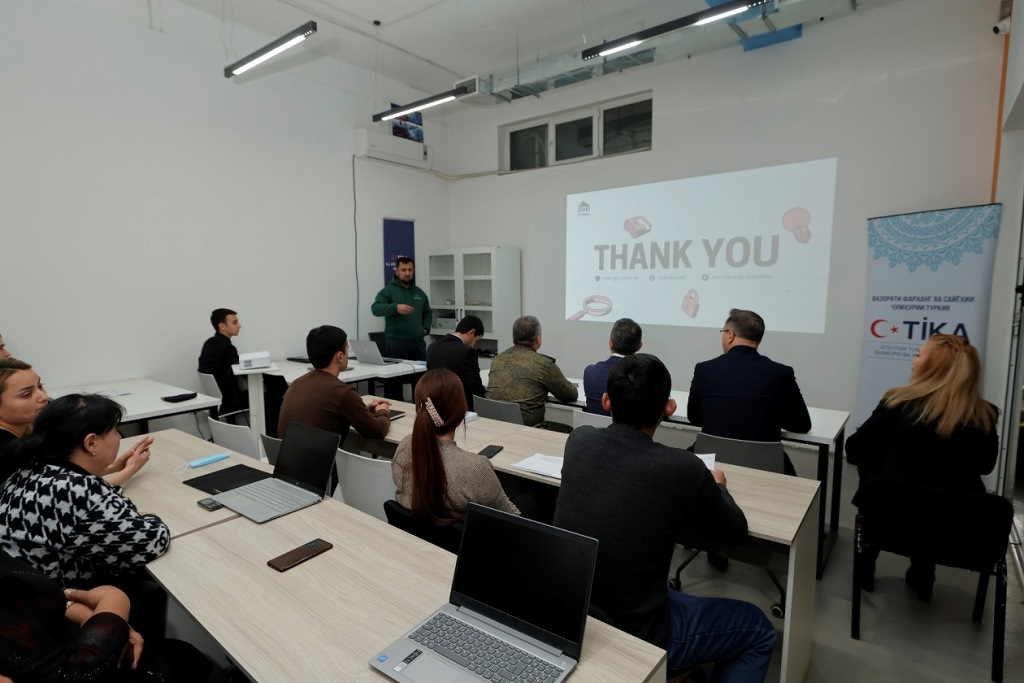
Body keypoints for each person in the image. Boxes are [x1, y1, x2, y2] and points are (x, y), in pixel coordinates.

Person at [553, 354, 776, 679]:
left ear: (606, 401)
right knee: (758, 629)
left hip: (571, 614)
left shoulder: (579, 440)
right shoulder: (682, 468)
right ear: (669, 408)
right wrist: (719, 486)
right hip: (639, 633)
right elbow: (734, 531)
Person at [846, 333, 999, 600]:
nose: (914, 360)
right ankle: (923, 572)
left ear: (932, 366)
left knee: (880, 480)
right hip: (954, 526)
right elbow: (985, 466)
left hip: (890, 515)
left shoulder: (897, 403)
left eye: (919, 355)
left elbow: (855, 448)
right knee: (931, 496)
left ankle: (866, 565)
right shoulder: (985, 415)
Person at [0, 394, 171, 589]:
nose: (119, 437)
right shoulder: (75, 490)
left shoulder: (32, 468)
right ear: (91, 443)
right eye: (115, 431)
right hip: (59, 596)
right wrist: (150, 517)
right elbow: (153, 542)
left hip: (20, 590)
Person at [0, 549, 223, 682]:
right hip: (89, 663)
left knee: (186, 656)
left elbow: (33, 602)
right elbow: (83, 673)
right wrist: (114, 599)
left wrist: (97, 619)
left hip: (79, 645)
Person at [687, 308, 811, 475]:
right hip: (766, 468)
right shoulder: (782, 373)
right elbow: (802, 425)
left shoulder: (704, 369)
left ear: (730, 335)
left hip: (711, 465)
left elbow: (694, 417)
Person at [0, 359, 152, 488]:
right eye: (27, 394)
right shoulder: (5, 449)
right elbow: (66, 494)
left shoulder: (26, 431)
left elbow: (59, 477)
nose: (43, 397)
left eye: (40, 386)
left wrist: (114, 467)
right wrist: (129, 470)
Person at [392, 369, 518, 521]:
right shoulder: (476, 468)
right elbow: (510, 518)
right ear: (460, 410)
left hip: (414, 534)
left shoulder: (404, 447)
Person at [278, 325, 391, 467]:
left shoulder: (295, 384)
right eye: (347, 349)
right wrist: (383, 411)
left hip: (289, 468)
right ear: (340, 356)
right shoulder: (342, 393)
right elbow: (378, 431)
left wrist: (361, 412)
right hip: (320, 473)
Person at [486, 316, 577, 429]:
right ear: (538, 338)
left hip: (494, 426)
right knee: (568, 429)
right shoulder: (544, 364)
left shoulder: (498, 359)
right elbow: (570, 395)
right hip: (528, 431)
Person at [370, 257, 433, 361]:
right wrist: (395, 308)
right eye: (403, 270)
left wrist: (426, 329)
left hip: (418, 343)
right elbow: (375, 309)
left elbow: (428, 312)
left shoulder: (419, 292)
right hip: (396, 344)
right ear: (397, 271)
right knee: (400, 372)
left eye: (410, 270)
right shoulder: (388, 290)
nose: (407, 273)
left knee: (422, 371)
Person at [582, 317, 642, 415]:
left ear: (610, 343)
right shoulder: (643, 377)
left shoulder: (590, 372)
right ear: (639, 346)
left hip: (594, 425)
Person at [426, 316, 486, 410]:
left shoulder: (432, 347)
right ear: (471, 332)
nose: (474, 344)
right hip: (459, 406)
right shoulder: (467, 351)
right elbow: (474, 385)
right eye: (476, 340)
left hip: (435, 403)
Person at [197, 308, 246, 416]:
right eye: (235, 323)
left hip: (215, 399)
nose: (239, 326)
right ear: (222, 326)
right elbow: (243, 373)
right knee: (269, 397)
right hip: (228, 400)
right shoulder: (227, 348)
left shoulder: (209, 343)